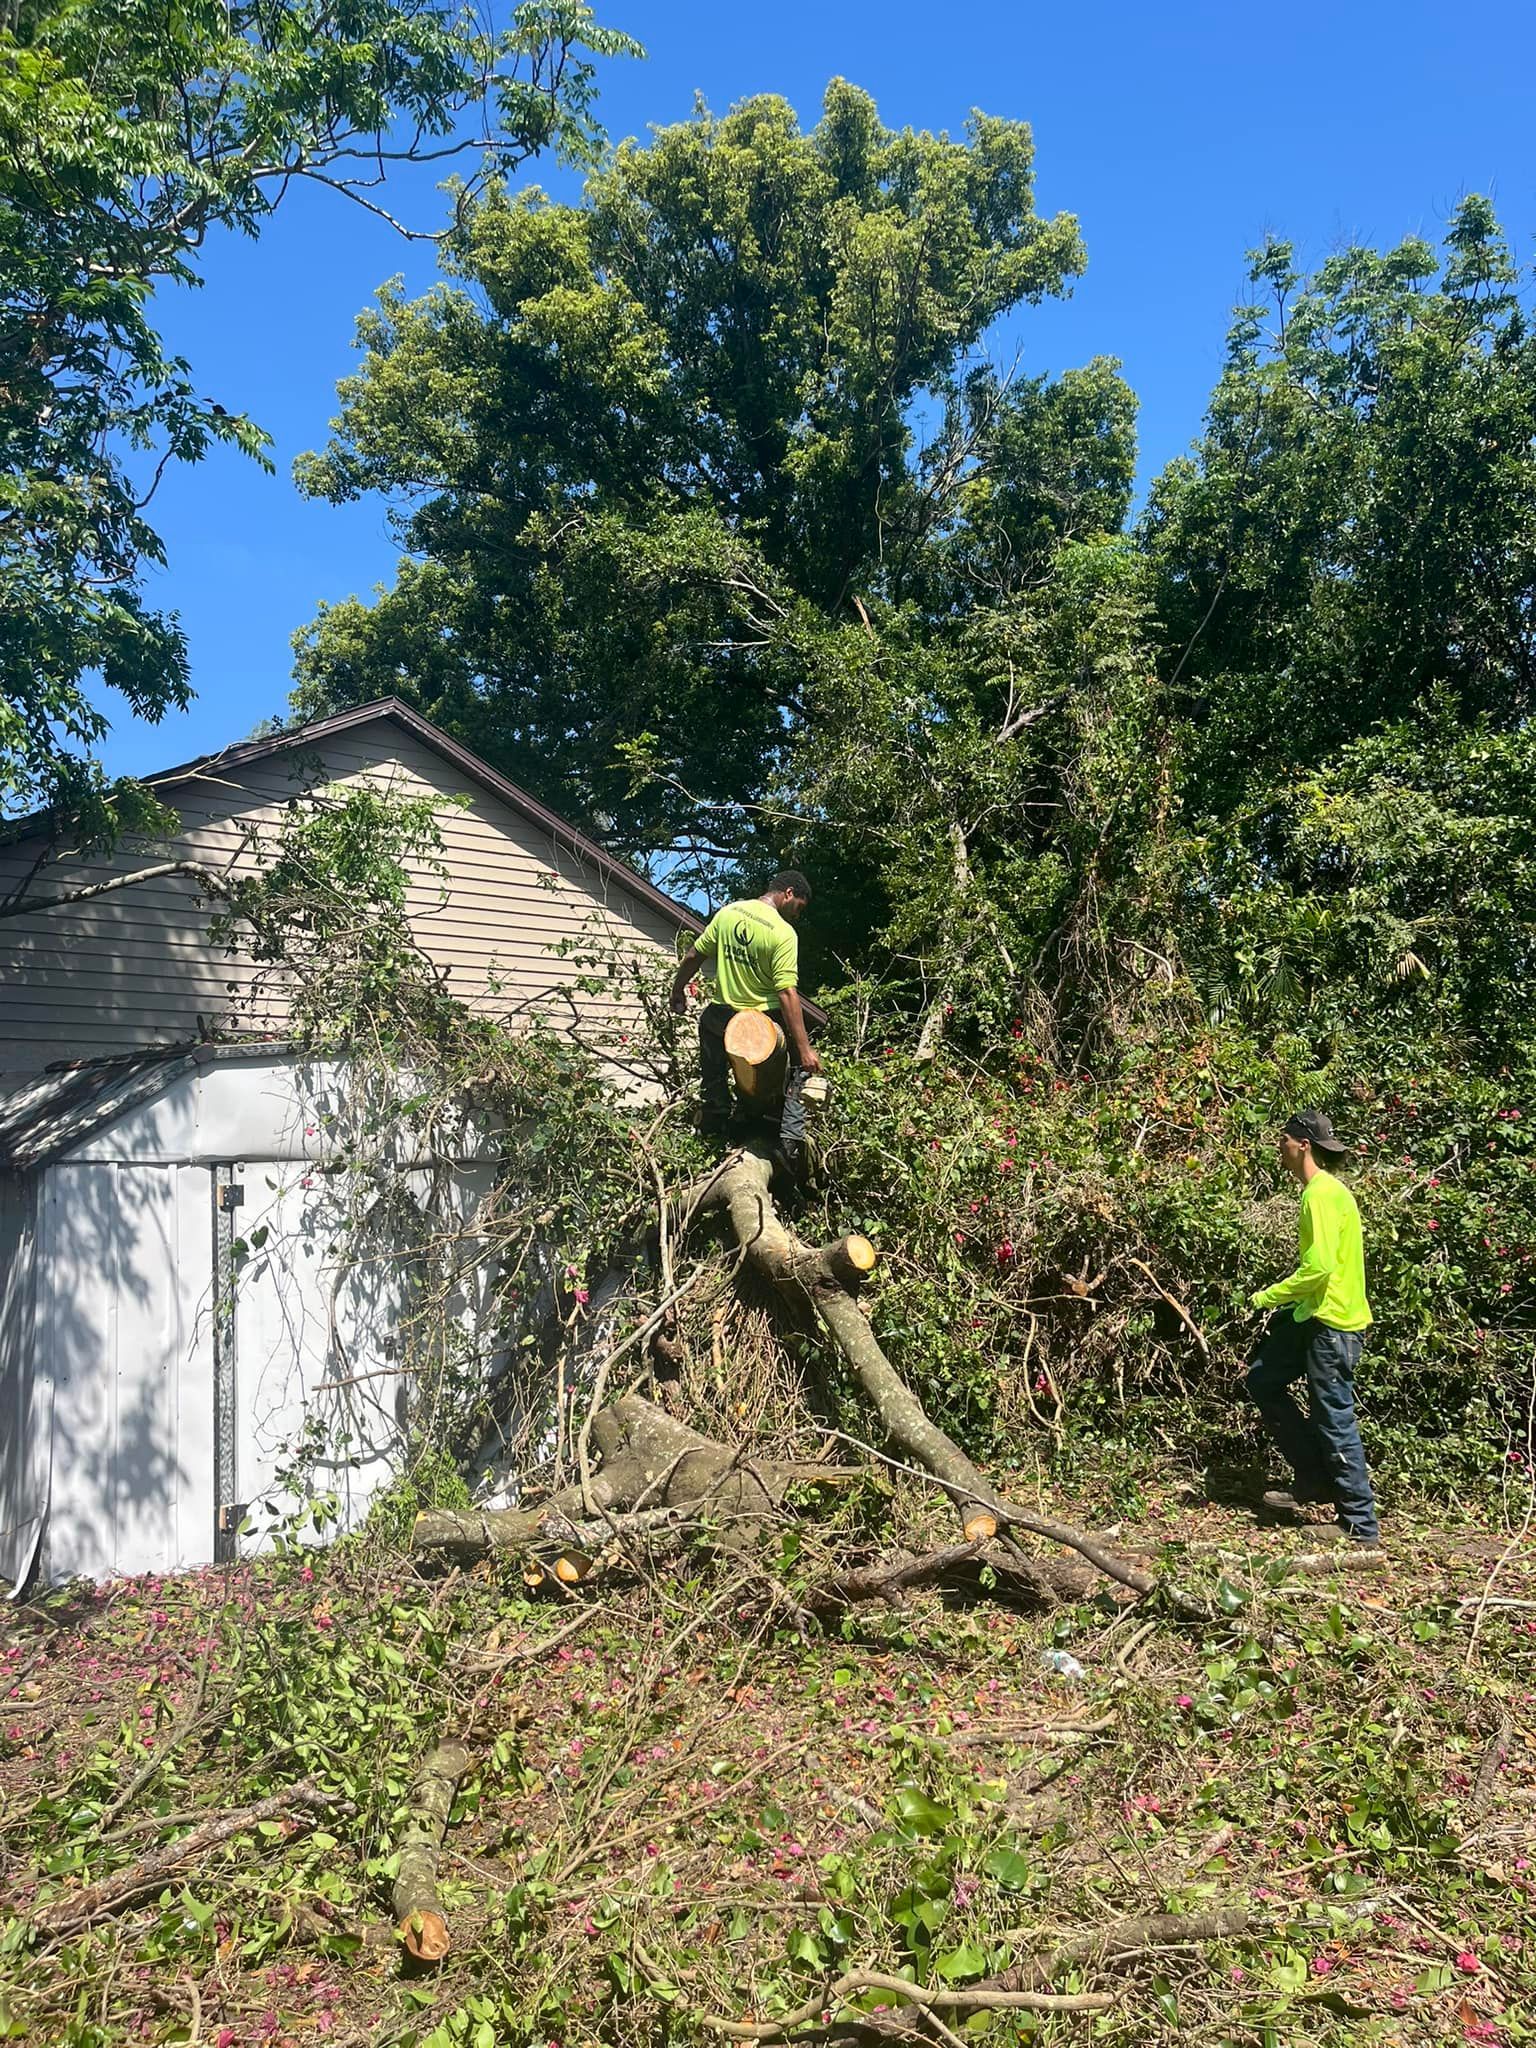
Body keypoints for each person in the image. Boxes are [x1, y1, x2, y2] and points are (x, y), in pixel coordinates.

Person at [1246, 1110, 1381, 1547]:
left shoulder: (1321, 1195)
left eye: (1284, 1138)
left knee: (1334, 1416)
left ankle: (1359, 1525)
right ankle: (1313, 1478)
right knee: (1263, 1380)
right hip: (1314, 1317)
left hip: (1334, 1324)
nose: (1279, 1145)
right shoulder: (1320, 1192)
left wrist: (1270, 1296)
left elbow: (1319, 1268)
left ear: (1303, 1144)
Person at [670, 872, 822, 1171]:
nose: (797, 915)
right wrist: (804, 1050)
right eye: (799, 907)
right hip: (760, 1025)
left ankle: (715, 1125)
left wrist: (677, 990)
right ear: (788, 893)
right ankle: (788, 1144)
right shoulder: (782, 932)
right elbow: (787, 992)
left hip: (721, 1018)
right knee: (798, 1075)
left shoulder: (729, 913)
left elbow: (693, 955)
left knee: (712, 1064)